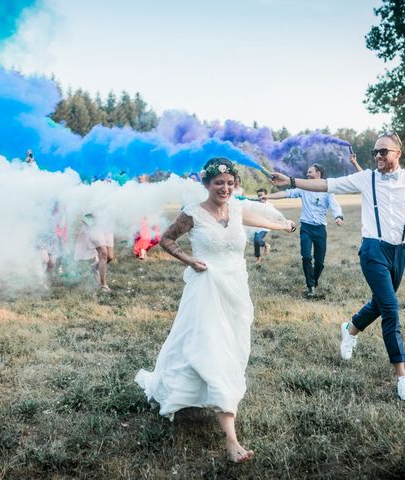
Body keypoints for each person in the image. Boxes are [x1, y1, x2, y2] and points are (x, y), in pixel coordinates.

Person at [136, 157, 296, 463]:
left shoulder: (236, 207)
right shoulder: (193, 213)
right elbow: (166, 239)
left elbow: (255, 220)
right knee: (213, 349)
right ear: (207, 184)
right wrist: (189, 260)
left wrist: (282, 224)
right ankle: (232, 440)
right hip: (206, 288)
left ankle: (197, 389)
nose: (224, 188)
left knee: (232, 348)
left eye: (229, 183)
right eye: (218, 183)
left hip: (236, 289)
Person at [270, 132, 405, 400]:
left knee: (381, 303)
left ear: (398, 153)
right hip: (372, 250)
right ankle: (402, 377)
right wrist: (290, 181)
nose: (378, 156)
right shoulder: (366, 178)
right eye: (375, 152)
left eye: (383, 151)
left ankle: (351, 329)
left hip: (400, 252)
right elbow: (327, 184)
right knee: (391, 309)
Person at [265, 163, 344, 297]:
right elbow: (286, 193)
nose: (307, 174)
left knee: (319, 262)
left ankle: (313, 282)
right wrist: (267, 197)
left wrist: (338, 216)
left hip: (320, 229)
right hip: (306, 228)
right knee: (306, 257)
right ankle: (310, 287)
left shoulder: (327, 190)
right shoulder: (303, 188)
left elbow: (335, 205)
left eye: (310, 172)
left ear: (318, 173)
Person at [73, 213, 114, 292]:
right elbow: (84, 212)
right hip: (93, 225)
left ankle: (95, 267)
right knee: (103, 253)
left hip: (107, 224)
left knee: (110, 257)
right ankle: (104, 285)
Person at [251, 188, 287, 265]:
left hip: (264, 226)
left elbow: (276, 216)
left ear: (266, 195)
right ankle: (258, 258)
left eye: (261, 195)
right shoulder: (256, 204)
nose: (260, 197)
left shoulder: (270, 206)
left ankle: (266, 245)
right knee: (255, 242)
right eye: (258, 196)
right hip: (256, 225)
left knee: (257, 240)